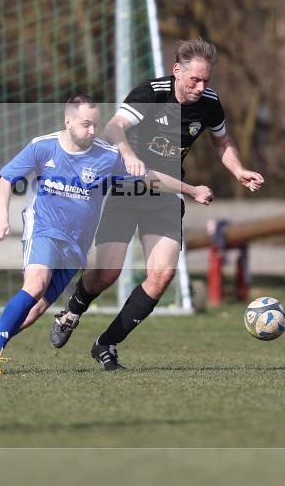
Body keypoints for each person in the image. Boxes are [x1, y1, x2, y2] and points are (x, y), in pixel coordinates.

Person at [0, 94, 190, 376]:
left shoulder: (107, 155)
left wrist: (191, 189)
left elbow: (149, 178)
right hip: (43, 229)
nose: (92, 131)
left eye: (96, 124)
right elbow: (6, 180)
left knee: (31, 312)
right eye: (86, 124)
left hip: (75, 245)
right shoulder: (43, 147)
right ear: (68, 121)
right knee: (36, 284)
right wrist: (2, 217)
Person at [48, 38, 265, 370]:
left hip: (167, 193)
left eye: (206, 80)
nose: (201, 87)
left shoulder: (209, 103)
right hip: (126, 189)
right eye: (195, 79)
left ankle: (106, 343)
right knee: (107, 273)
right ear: (177, 71)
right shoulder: (151, 94)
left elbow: (222, 140)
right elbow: (113, 128)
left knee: (162, 275)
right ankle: (73, 310)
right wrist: (129, 155)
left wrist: (238, 170)